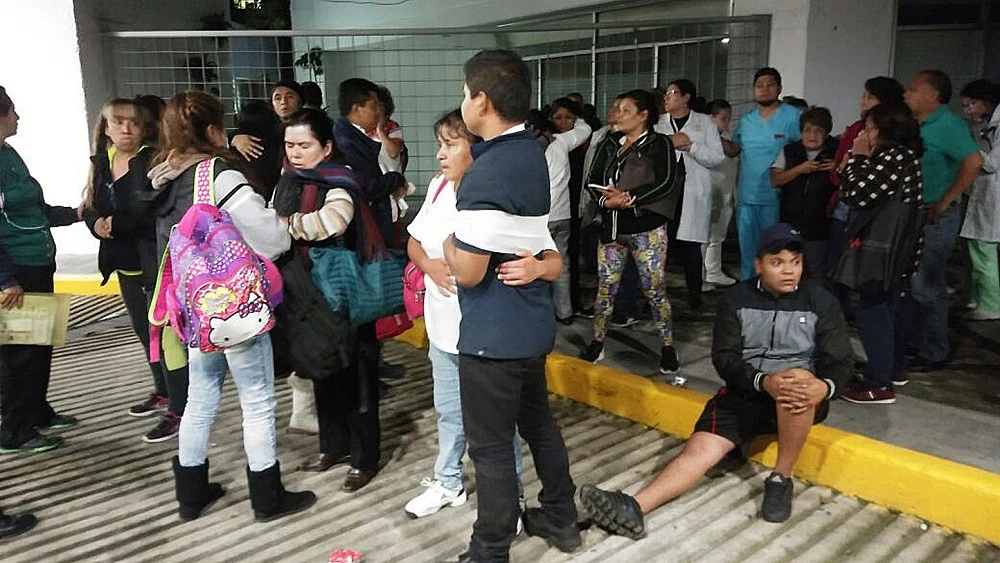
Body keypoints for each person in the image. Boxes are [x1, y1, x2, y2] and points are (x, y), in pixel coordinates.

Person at [579, 222, 852, 537]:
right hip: (746, 392)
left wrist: (824, 387)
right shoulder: (736, 299)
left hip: (796, 402)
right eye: (777, 262)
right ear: (759, 264)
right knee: (700, 451)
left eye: (796, 262)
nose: (789, 271)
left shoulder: (821, 301)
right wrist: (763, 381)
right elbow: (725, 358)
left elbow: (841, 361)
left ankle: (780, 478)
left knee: (797, 381)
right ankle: (635, 507)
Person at [146, 90, 314, 522]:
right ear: (214, 130)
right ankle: (267, 496)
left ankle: (192, 492)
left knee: (200, 398)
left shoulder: (165, 179)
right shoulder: (216, 175)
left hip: (193, 311)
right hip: (235, 307)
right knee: (256, 400)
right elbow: (271, 239)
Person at [443, 49, 579, 562]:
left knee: (492, 448)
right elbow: (543, 249)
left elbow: (471, 270)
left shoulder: (488, 169)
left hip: (492, 337)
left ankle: (490, 550)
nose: (462, 103)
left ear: (481, 99)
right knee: (539, 424)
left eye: (464, 94)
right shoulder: (530, 154)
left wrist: (450, 245)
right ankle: (561, 518)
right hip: (529, 326)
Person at [405, 109, 552, 520]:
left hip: (484, 338)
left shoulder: (496, 193)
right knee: (449, 412)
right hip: (442, 328)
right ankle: (449, 481)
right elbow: (414, 242)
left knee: (497, 429)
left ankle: (513, 501)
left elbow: (546, 255)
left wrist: (537, 268)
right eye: (439, 144)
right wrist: (429, 265)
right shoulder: (437, 189)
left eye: (450, 144)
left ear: (478, 149)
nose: (440, 154)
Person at [82, 99, 188, 443]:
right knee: (145, 334)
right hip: (123, 262)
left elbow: (154, 208)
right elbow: (88, 204)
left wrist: (118, 223)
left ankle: (180, 407)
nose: (126, 128)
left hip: (154, 261)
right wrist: (95, 222)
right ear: (107, 127)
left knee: (168, 338)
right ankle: (161, 390)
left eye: (133, 122)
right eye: (119, 122)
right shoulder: (101, 162)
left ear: (144, 128)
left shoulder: (154, 160)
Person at [0, 85, 83, 455]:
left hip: (37, 260)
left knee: (40, 344)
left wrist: (76, 215)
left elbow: (34, 208)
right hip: (16, 268)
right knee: (21, 353)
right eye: (12, 111)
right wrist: (5, 279)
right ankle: (15, 430)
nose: (18, 117)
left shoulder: (9, 154)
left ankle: (37, 410)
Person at [579, 89, 680, 374]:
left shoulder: (659, 144)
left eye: (626, 110)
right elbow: (592, 181)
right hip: (612, 228)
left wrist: (630, 197)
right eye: (617, 109)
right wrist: (606, 200)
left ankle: (668, 346)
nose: (618, 115)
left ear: (644, 115)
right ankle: (597, 341)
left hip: (647, 229)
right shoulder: (610, 143)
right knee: (605, 288)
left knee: (654, 289)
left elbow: (666, 182)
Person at [839, 103, 925, 404]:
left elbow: (858, 194)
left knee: (872, 310)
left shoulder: (892, 156)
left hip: (882, 254)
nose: (865, 134)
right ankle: (892, 369)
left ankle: (879, 383)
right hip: (897, 251)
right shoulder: (907, 157)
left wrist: (857, 160)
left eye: (871, 129)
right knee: (889, 311)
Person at [903, 70, 983, 372]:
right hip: (914, 212)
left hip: (936, 215)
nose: (908, 94)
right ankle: (914, 342)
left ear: (932, 95)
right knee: (911, 284)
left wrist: (947, 199)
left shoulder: (947, 125)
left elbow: (973, 161)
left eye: (913, 89)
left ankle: (934, 351)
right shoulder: (916, 125)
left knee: (927, 285)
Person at [827, 77, 906, 309]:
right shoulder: (855, 129)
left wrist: (859, 159)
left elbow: (868, 187)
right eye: (864, 95)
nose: (863, 101)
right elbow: (840, 164)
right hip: (844, 204)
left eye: (870, 97)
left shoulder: (895, 147)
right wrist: (843, 168)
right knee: (836, 262)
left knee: (862, 274)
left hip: (870, 214)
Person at [654, 79, 725, 310]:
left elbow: (717, 157)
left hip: (693, 190)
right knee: (661, 245)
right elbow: (651, 153)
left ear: (686, 98)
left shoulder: (705, 123)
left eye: (672, 93)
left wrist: (689, 147)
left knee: (691, 246)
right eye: (666, 94)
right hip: (665, 191)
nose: (667, 97)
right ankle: (657, 297)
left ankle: (695, 295)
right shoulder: (658, 124)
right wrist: (669, 143)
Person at [732, 68, 803, 280]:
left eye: (769, 84)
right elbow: (734, 149)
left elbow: (802, 150)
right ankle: (748, 292)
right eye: (759, 85)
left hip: (777, 196)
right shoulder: (747, 120)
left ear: (779, 88)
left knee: (774, 250)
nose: (764, 89)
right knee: (747, 251)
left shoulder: (793, 116)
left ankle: (773, 293)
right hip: (747, 195)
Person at [770, 107, 838, 279]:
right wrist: (801, 169)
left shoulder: (836, 151)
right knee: (789, 271)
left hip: (821, 227)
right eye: (807, 130)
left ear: (827, 133)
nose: (812, 135)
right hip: (790, 225)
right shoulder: (789, 150)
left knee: (816, 273)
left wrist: (838, 168)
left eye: (818, 130)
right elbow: (775, 180)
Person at [545, 97, 592, 323]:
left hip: (540, 217)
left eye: (568, 117)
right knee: (561, 265)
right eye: (558, 118)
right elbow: (585, 128)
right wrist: (579, 115)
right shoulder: (562, 142)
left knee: (537, 268)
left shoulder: (527, 148)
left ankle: (544, 313)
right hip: (563, 215)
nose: (563, 122)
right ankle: (565, 312)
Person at [958, 79, 1000, 321]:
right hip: (981, 193)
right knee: (973, 248)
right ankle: (972, 296)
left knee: (984, 251)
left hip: (991, 194)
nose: (967, 110)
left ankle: (991, 304)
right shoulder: (987, 123)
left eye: (970, 104)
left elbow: (993, 164)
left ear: (986, 102)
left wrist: (968, 146)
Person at [230, 81, 304, 201]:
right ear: (272, 105)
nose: (283, 102)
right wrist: (234, 138)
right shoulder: (261, 130)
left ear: (300, 101)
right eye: (277, 98)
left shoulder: (310, 124)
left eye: (289, 96)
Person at [704, 99, 739, 287]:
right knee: (711, 236)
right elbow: (732, 151)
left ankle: (711, 270)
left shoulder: (723, 138)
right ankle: (710, 271)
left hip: (725, 192)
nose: (726, 123)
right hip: (714, 194)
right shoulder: (710, 140)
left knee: (717, 236)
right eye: (723, 118)